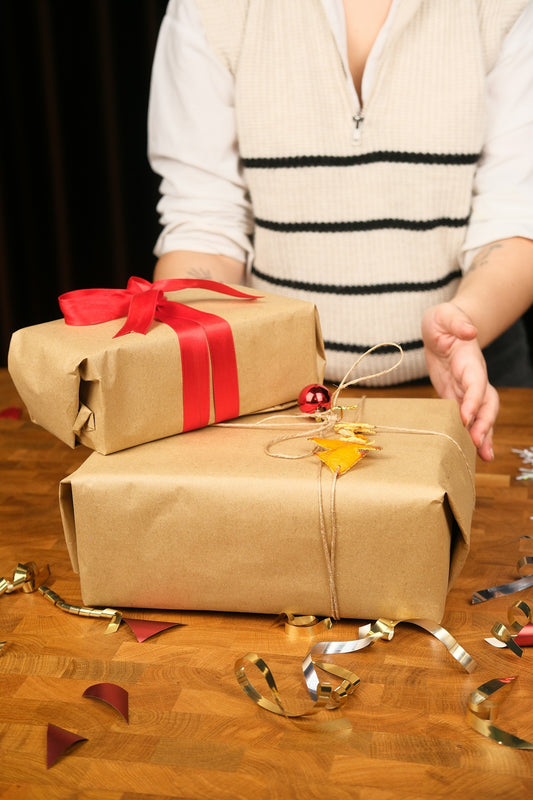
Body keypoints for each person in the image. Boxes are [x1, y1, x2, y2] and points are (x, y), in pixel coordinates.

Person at [147, 0, 533, 462]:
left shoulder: (504, 8)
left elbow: (515, 217)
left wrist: (462, 325)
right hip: (277, 402)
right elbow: (203, 222)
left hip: (472, 383)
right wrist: (178, 350)